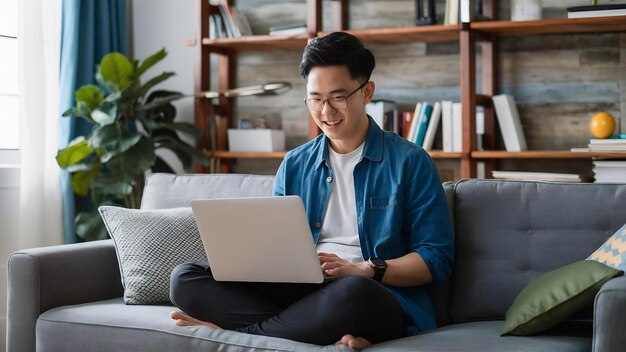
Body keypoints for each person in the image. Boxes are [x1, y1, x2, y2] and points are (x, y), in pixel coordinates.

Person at [169, 31, 453, 349]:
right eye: (315, 99)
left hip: (369, 293)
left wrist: (364, 269)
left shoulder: (411, 162)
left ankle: (240, 335)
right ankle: (310, 329)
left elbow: (435, 260)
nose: (326, 111)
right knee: (185, 278)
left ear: (367, 92)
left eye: (338, 96)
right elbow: (273, 246)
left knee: (352, 293)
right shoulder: (294, 164)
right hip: (299, 290)